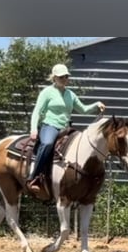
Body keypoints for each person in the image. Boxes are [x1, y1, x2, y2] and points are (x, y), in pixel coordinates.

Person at [26, 64, 105, 195]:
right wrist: (33, 129)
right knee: (47, 144)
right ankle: (34, 178)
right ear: (54, 78)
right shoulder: (47, 92)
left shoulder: (70, 95)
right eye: (61, 77)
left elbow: (84, 110)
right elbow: (36, 111)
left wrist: (96, 105)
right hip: (50, 126)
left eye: (66, 76)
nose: (64, 79)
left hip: (65, 128)